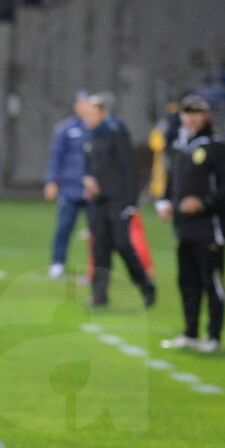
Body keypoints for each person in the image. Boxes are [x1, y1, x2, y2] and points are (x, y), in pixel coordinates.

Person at [157, 95, 225, 353]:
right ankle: (190, 332)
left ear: (207, 116)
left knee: (211, 281)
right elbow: (174, 181)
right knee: (187, 281)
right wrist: (166, 202)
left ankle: (214, 336)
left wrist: (202, 203)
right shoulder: (180, 146)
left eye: (197, 113)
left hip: (209, 228)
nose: (191, 118)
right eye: (186, 113)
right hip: (184, 229)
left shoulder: (218, 148)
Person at [81, 94, 156, 308]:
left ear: (103, 114)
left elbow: (128, 168)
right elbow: (88, 167)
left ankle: (145, 287)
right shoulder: (89, 137)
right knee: (100, 247)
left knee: (123, 245)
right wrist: (87, 180)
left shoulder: (116, 134)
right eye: (87, 114)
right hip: (98, 201)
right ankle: (99, 294)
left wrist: (130, 201)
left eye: (93, 113)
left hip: (117, 199)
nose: (89, 118)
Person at [43, 91, 92, 279]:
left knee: (95, 232)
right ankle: (57, 263)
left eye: (87, 103)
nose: (84, 107)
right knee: (64, 227)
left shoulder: (95, 128)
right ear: (75, 106)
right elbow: (56, 157)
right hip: (69, 188)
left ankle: (93, 268)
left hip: (91, 190)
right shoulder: (65, 129)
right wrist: (52, 181)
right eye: (80, 103)